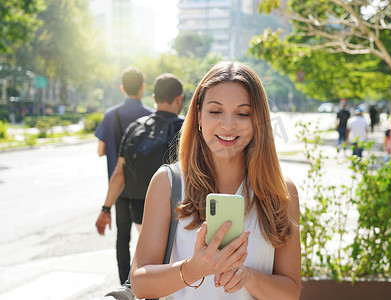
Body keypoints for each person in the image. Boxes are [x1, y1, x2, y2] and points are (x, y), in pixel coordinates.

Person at [130, 61, 301, 299]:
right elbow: (140, 283)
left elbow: (290, 292)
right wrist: (193, 269)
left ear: (257, 120)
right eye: (215, 111)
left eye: (242, 113)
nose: (228, 125)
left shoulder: (281, 191)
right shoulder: (169, 182)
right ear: (199, 116)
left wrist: (248, 277)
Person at [95, 72, 184, 232]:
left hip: (140, 211)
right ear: (180, 99)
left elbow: (119, 173)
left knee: (147, 255)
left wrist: (106, 209)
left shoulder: (135, 127)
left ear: (155, 98)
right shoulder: (186, 129)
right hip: (177, 210)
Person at [94, 67, 154, 284]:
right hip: (145, 190)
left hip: (119, 189)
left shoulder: (111, 115)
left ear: (122, 88)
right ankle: (145, 281)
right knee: (147, 239)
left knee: (122, 238)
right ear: (142, 88)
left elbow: (101, 150)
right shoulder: (150, 116)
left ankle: (124, 285)